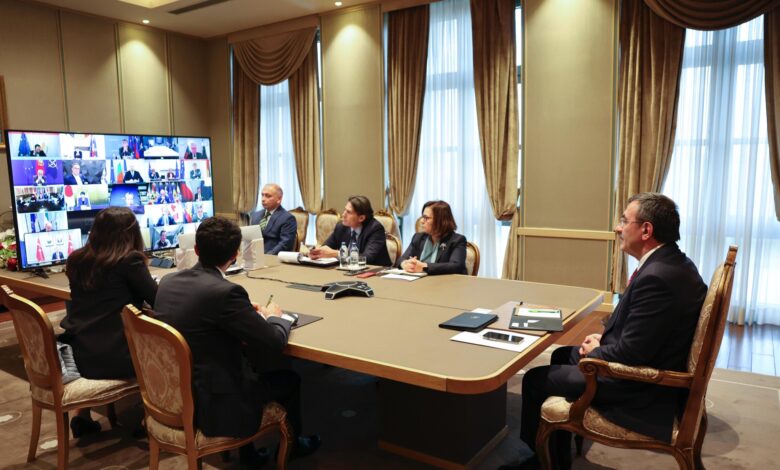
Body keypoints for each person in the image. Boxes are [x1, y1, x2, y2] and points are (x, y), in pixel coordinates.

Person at [500, 193, 707, 470]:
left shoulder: (657, 277)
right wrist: (604, 339)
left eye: (624, 220)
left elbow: (633, 353)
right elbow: (646, 331)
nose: (617, 227)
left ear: (646, 230)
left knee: (535, 379)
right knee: (561, 354)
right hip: (650, 361)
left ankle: (538, 461)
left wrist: (598, 351)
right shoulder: (674, 263)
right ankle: (557, 456)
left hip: (638, 386)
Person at [154, 217, 320, 466]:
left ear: (196, 249)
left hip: (172, 392)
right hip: (215, 403)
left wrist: (242, 312)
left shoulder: (168, 282)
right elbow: (274, 343)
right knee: (289, 379)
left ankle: (249, 455)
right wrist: (275, 317)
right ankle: (294, 447)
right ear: (235, 254)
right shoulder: (225, 293)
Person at [59, 207, 157, 437]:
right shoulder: (129, 261)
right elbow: (157, 299)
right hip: (118, 358)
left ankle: (82, 416)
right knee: (172, 348)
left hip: (80, 356)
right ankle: (150, 419)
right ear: (131, 233)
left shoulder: (76, 259)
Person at [310, 195, 391, 266]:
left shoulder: (375, 229)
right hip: (348, 271)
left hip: (375, 273)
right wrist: (317, 253)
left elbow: (367, 258)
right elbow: (327, 246)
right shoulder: (341, 227)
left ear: (361, 218)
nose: (343, 214)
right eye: (345, 210)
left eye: (348, 212)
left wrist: (337, 253)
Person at [397, 200, 467, 275]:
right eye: (422, 217)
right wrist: (405, 264)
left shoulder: (457, 240)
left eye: (426, 218)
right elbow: (401, 259)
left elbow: (456, 266)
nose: (422, 221)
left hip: (446, 281)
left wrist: (424, 266)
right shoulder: (418, 237)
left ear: (440, 220)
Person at [249, 184, 297, 255]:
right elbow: (251, 239)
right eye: (262, 195)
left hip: (274, 257)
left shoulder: (288, 218)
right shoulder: (255, 215)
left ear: (279, 199)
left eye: (268, 196)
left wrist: (267, 256)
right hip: (254, 256)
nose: (263, 199)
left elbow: (285, 244)